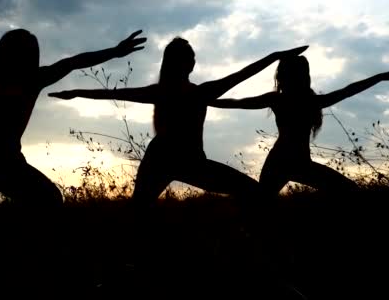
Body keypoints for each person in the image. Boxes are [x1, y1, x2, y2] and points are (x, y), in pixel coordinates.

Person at [49, 37, 308, 204]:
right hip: (168, 160)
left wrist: (75, 93)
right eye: (189, 58)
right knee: (140, 215)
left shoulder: (184, 91)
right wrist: (273, 55)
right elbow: (113, 93)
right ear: (187, 64)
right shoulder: (190, 92)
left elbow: (241, 74)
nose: (192, 61)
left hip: (182, 161)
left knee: (255, 193)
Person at [0, 29, 146, 206]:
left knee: (49, 199)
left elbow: (74, 62)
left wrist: (115, 52)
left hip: (2, 161)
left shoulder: (27, 78)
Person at [211, 56, 389, 197]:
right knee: (261, 205)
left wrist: (381, 77)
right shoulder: (289, 100)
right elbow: (238, 102)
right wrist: (204, 100)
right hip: (283, 162)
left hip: (291, 162)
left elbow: (349, 90)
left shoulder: (292, 100)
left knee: (261, 204)